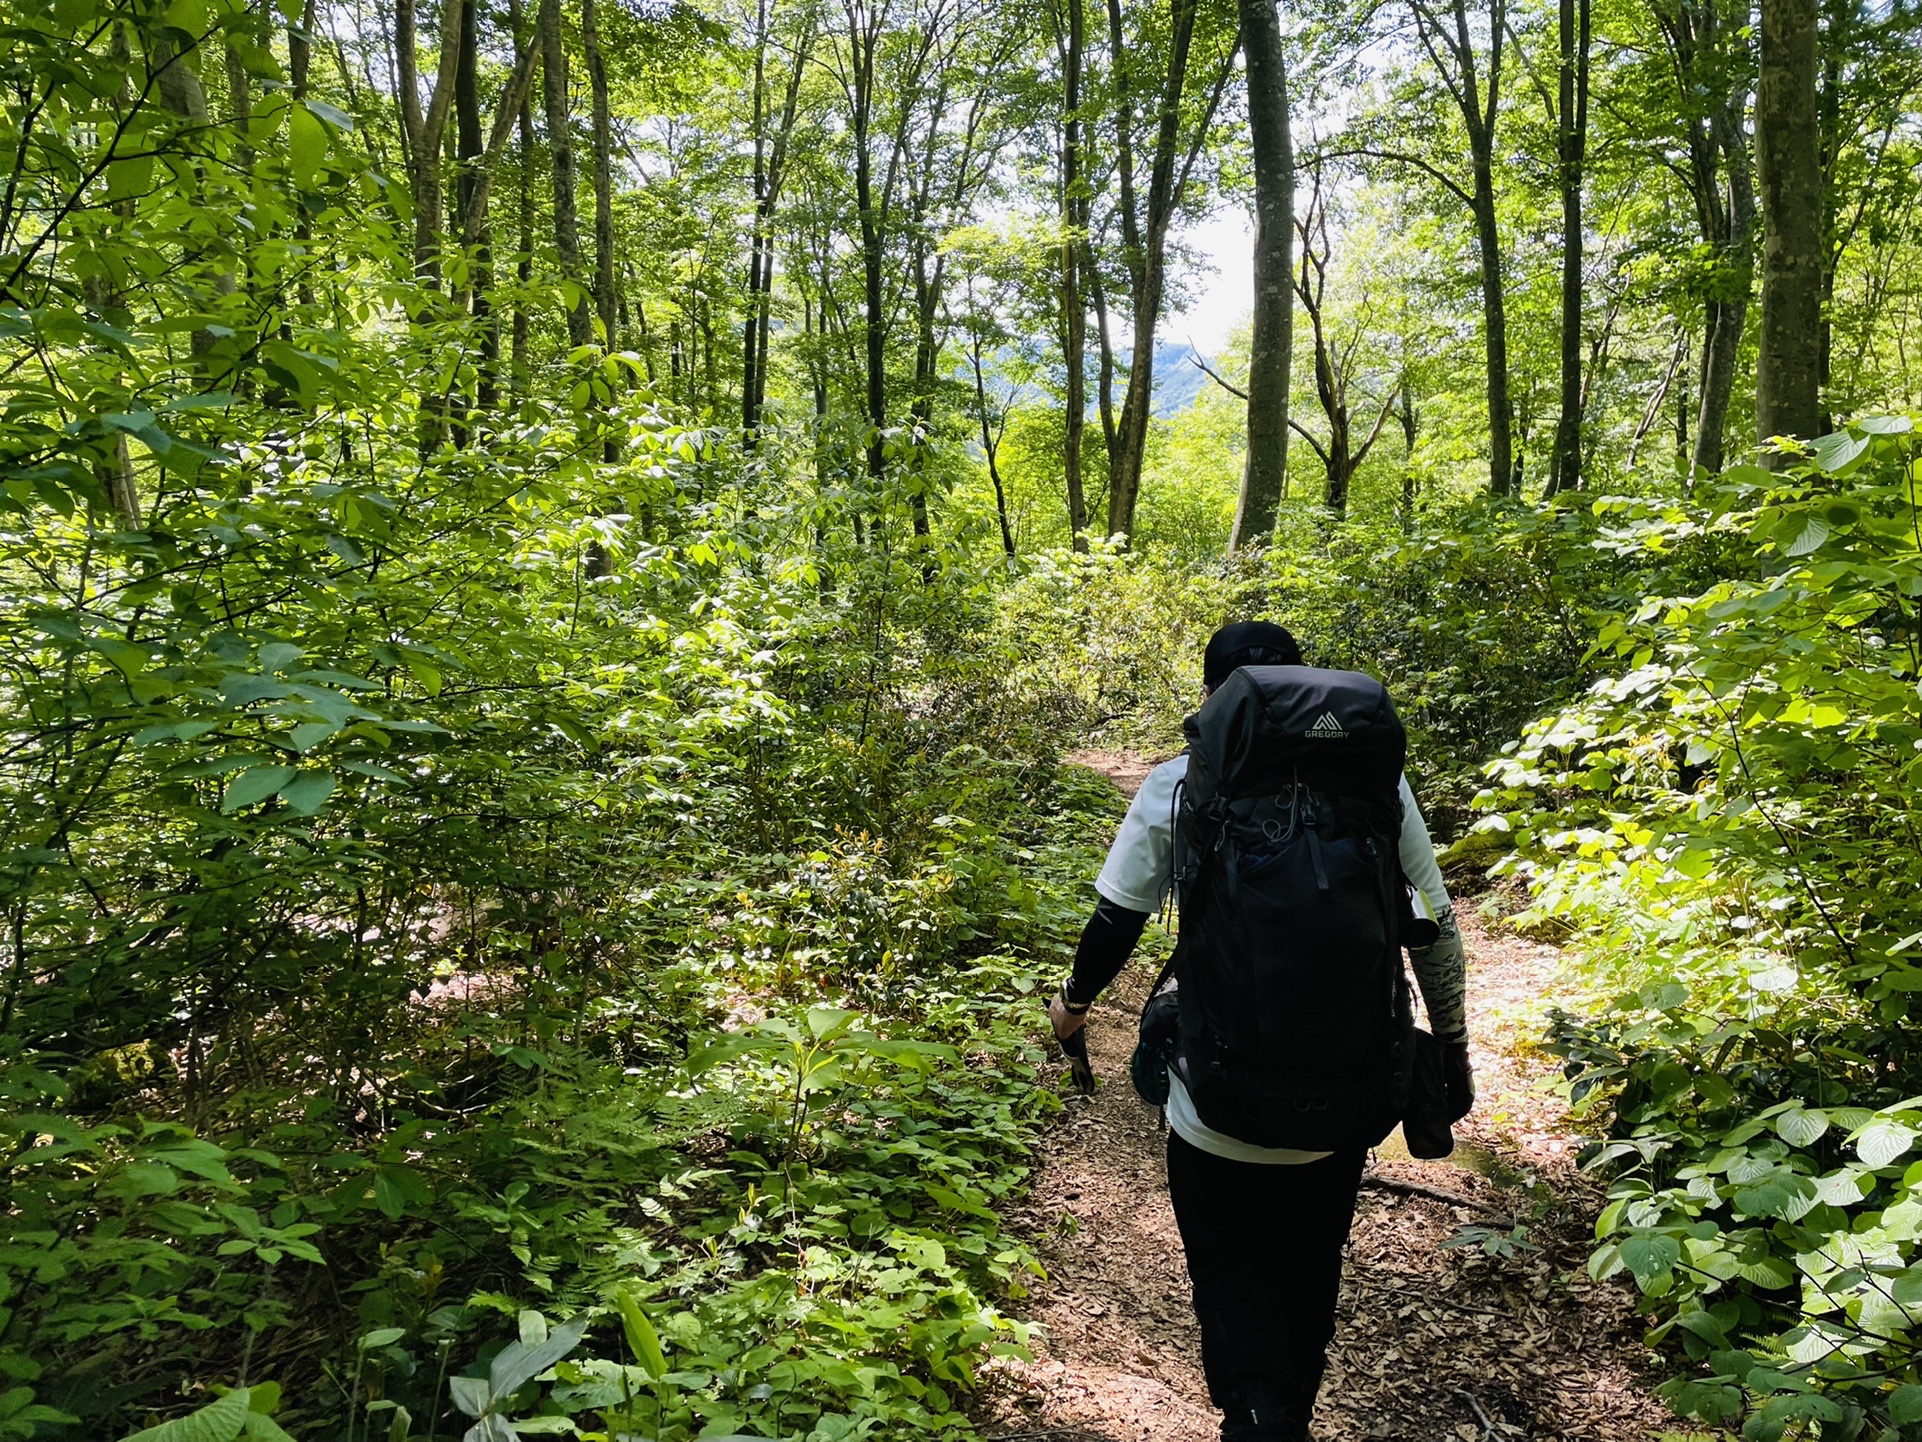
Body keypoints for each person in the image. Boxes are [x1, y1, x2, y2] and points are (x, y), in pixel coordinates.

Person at [1046, 620, 1471, 1442]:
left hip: (1215, 1101)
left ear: (1214, 697)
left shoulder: (1177, 784)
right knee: (1309, 1268)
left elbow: (1116, 918)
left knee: (1226, 1267)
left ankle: (1249, 1409)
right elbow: (1438, 931)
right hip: (1348, 1095)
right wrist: (1451, 1060)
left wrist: (1074, 1003)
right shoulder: (1381, 787)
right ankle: (1289, 1412)